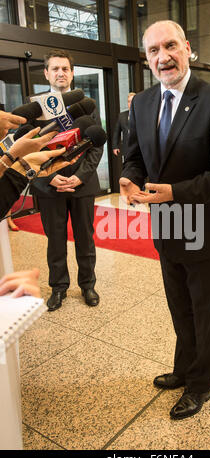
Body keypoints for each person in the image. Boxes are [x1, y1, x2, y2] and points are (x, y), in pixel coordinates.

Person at [120, 20, 210, 420]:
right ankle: (183, 368)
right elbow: (136, 155)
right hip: (167, 226)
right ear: (147, 59)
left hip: (205, 228)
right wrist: (127, 177)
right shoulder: (141, 104)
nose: (163, 57)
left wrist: (174, 192)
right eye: (154, 51)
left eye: (170, 46)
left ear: (187, 48)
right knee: (180, 307)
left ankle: (200, 385)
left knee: (205, 312)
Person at [30, 49, 104, 311]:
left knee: (85, 237)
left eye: (65, 68)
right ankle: (58, 288)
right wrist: (47, 178)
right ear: (47, 73)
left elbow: (96, 144)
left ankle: (88, 285)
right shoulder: (36, 110)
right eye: (55, 68)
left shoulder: (86, 105)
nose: (61, 72)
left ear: (72, 73)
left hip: (81, 185)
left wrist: (79, 177)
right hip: (49, 186)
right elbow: (28, 150)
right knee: (56, 239)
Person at [112, 92, 136, 160]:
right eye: (129, 101)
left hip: (140, 149)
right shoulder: (121, 116)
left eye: (132, 101)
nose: (130, 103)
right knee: (127, 168)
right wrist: (115, 146)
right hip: (127, 149)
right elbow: (117, 132)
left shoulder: (142, 115)